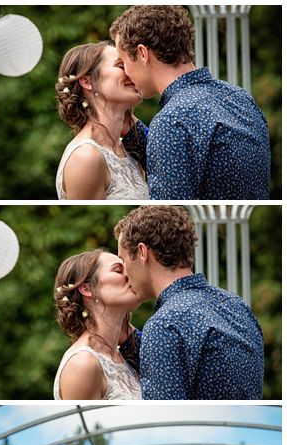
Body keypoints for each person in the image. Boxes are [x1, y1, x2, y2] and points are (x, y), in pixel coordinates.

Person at [111, 5, 271, 201]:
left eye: (123, 62)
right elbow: (188, 164)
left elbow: (170, 208)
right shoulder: (241, 97)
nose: (125, 72)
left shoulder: (173, 120)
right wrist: (130, 130)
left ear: (143, 53)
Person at [114, 206, 265, 400]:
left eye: (123, 260)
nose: (125, 272)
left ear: (142, 252)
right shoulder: (237, 306)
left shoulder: (165, 324)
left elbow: (166, 418)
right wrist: (126, 336)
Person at [54, 42, 149, 201]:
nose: (131, 71)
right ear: (87, 82)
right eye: (120, 65)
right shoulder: (86, 157)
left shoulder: (129, 149)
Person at [51, 250, 143, 400]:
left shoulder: (127, 355)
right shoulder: (82, 364)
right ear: (86, 289)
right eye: (118, 270)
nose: (130, 275)